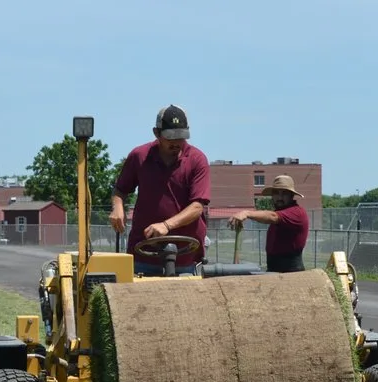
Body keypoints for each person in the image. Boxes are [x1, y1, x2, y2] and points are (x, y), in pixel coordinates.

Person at [109, 104, 211, 275]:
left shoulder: (197, 159)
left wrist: (166, 225)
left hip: (185, 256)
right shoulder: (139, 156)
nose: (177, 143)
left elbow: (197, 207)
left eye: (181, 137)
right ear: (156, 133)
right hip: (144, 253)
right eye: (170, 137)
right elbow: (120, 190)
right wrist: (117, 207)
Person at [227, 174, 309, 273]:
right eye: (276, 193)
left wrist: (246, 213)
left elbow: (272, 216)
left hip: (291, 272)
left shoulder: (296, 212)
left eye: (284, 193)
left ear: (291, 196)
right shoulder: (280, 214)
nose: (279, 197)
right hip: (275, 270)